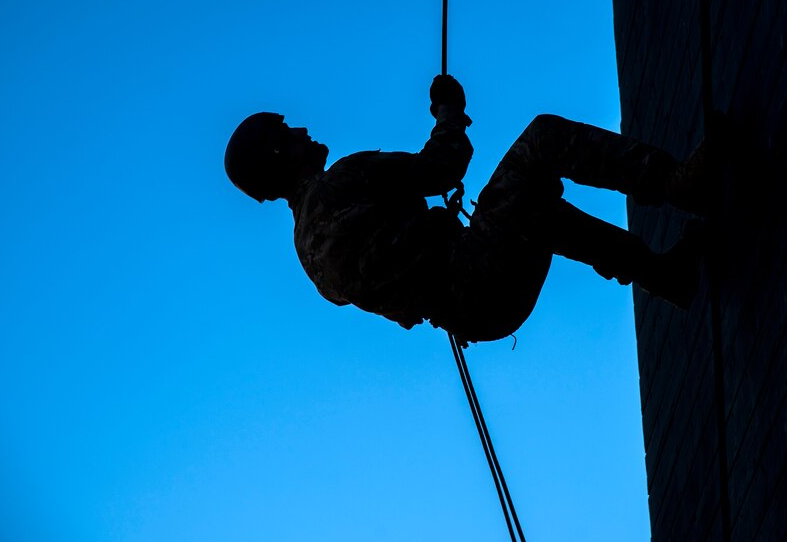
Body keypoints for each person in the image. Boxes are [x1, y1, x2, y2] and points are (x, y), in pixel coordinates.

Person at [224, 74, 712, 345]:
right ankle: (678, 184)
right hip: (477, 271)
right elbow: (444, 166)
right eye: (286, 134)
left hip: (477, 318)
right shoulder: (340, 183)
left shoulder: (310, 260)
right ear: (275, 156)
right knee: (541, 141)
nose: (301, 131)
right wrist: (448, 111)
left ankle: (663, 275)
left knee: (535, 211)